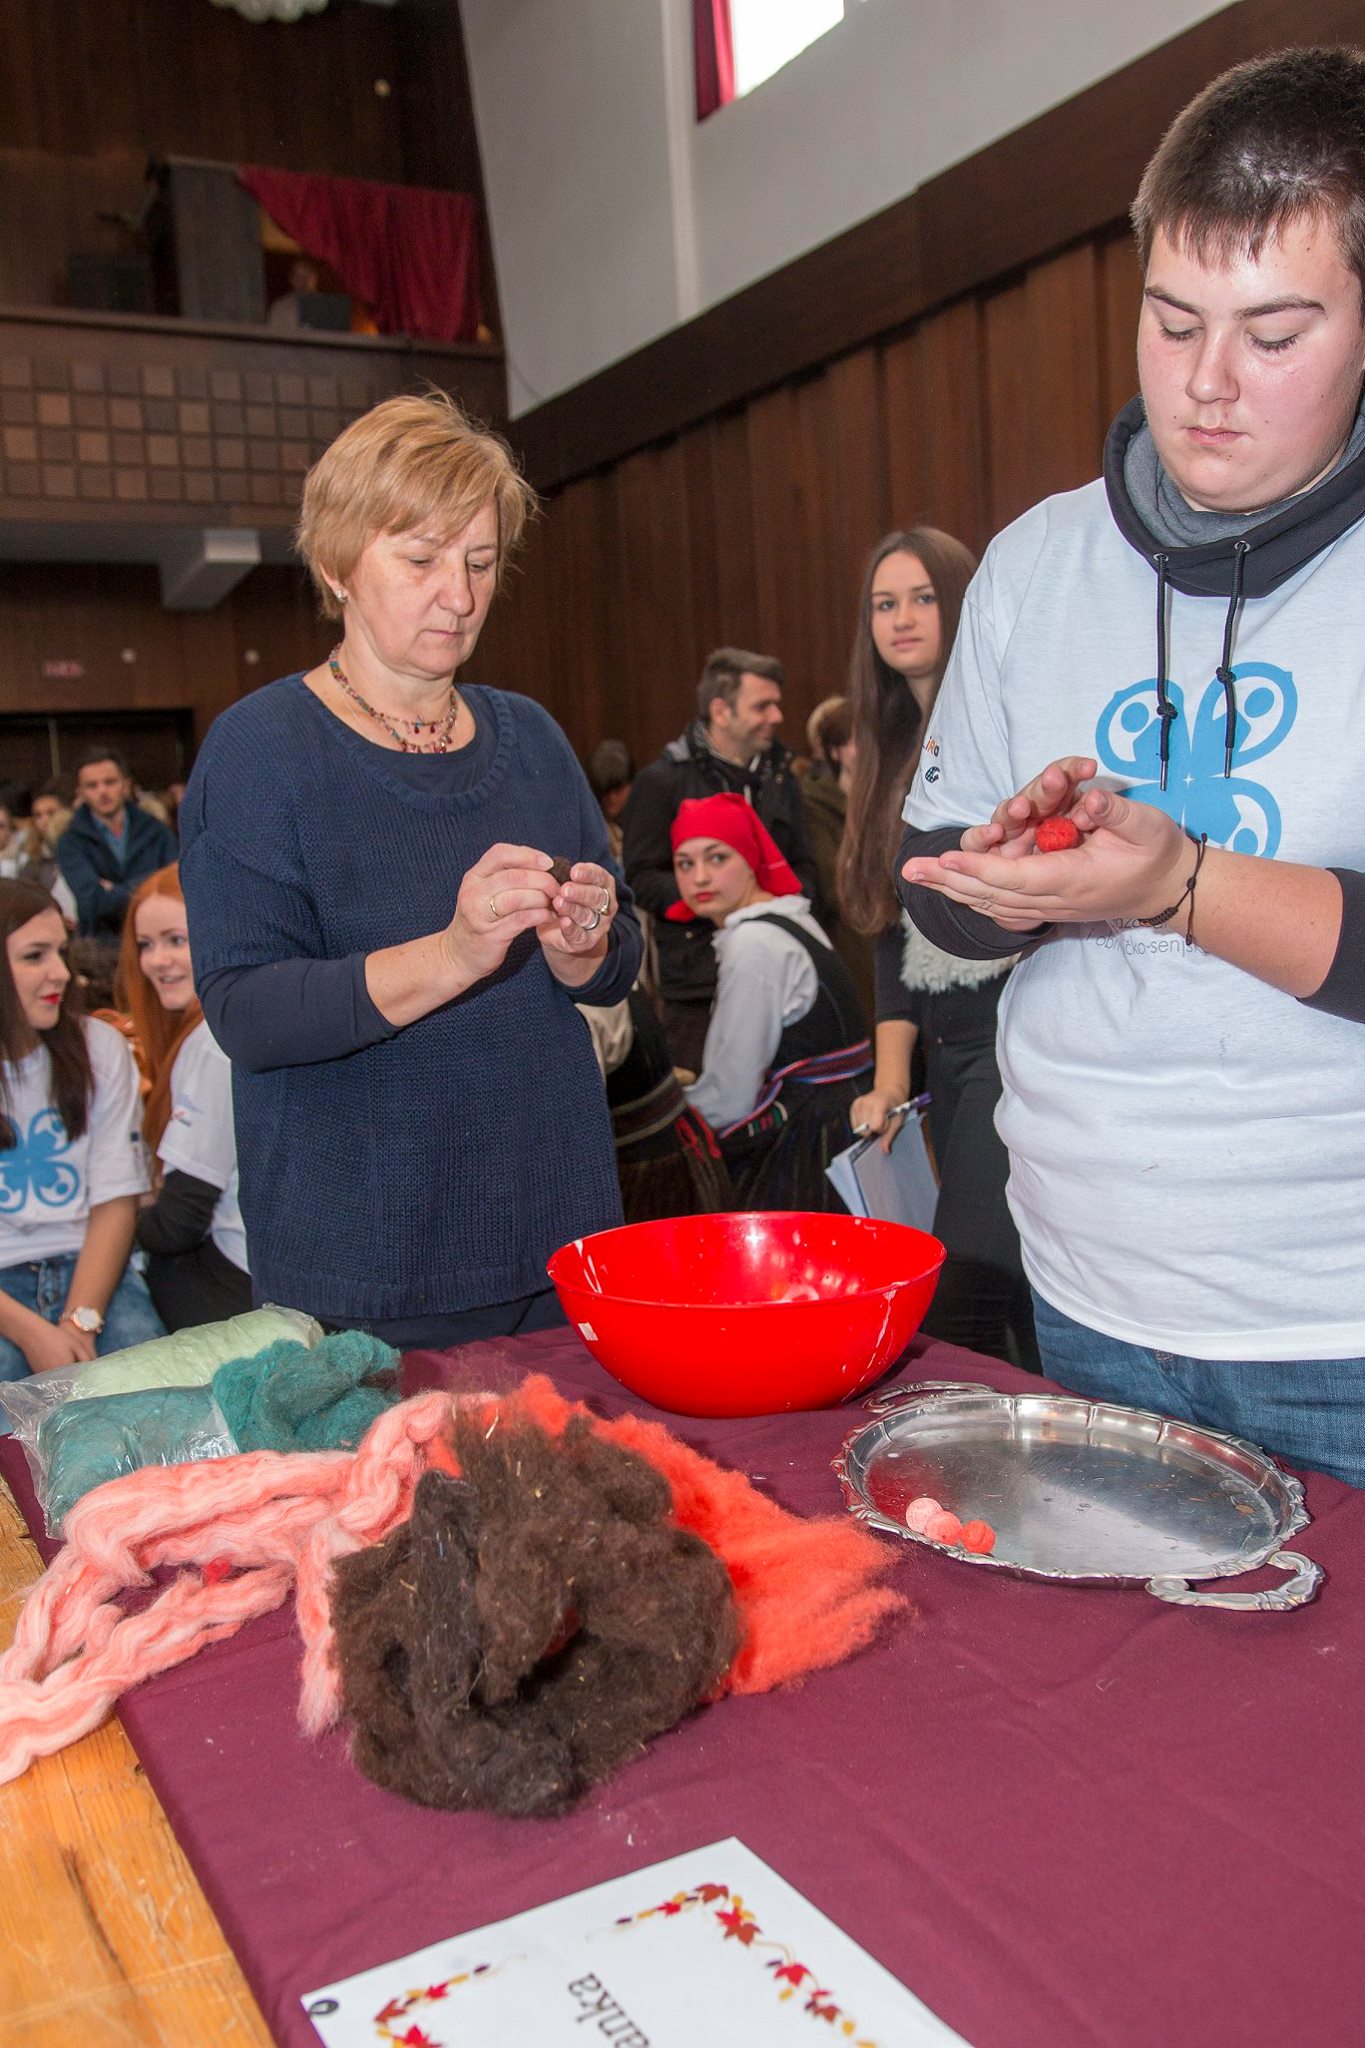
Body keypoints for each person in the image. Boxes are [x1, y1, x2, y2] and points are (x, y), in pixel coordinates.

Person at [899, 46, 1365, 1485]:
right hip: (1089, 1287)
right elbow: (931, 892)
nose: (1206, 384)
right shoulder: (1036, 563)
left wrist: (1177, 885)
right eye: (1171, 322)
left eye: (1272, 335)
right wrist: (1006, 877)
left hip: (1335, 1319)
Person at [179, 391, 642, 1346]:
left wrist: (585, 944)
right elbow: (248, 1013)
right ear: (336, 565)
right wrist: (453, 954)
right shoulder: (260, 751)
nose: (460, 596)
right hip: (369, 1264)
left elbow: (617, 958)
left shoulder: (532, 736)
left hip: (560, 1236)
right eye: (422, 559)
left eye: (480, 562)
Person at [842, 530, 1036, 1367]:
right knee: (1014, 1303)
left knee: (962, 1298)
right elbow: (888, 933)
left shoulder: (1005, 725)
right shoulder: (887, 751)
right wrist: (889, 1083)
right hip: (946, 1055)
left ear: (959, 603)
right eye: (884, 604)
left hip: (1011, 1034)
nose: (902, 619)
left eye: (922, 598)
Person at [623, 649, 818, 1071]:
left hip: (780, 973)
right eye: (762, 706)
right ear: (720, 711)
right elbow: (639, 877)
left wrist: (775, 906)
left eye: (776, 704)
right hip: (698, 986)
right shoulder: (664, 781)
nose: (778, 716)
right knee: (710, 1103)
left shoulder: (782, 777)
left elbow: (804, 866)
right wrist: (716, 898)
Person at [0, 878, 163, 1382]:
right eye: (35, 956)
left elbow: (116, 1201)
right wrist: (31, 1332)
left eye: (61, 951)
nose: (62, 973)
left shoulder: (99, 1047)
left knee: (153, 1396)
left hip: (93, 1272)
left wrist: (79, 1323)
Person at [673, 794, 870, 1209]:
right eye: (684, 864)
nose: (700, 878)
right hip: (847, 1119)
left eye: (717, 858)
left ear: (750, 859)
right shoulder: (790, 918)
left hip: (808, 1143)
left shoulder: (753, 942)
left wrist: (672, 1120)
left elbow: (732, 1095)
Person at [118, 867, 252, 1331]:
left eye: (177, 940)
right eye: (146, 944)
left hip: (242, 1281)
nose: (158, 961)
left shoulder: (213, 1042)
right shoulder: (234, 1023)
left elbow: (178, 1224)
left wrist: (110, 1219)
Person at [797, 696, 874, 1025]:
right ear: (835, 751)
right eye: (858, 739)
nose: (869, 748)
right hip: (849, 940)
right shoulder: (814, 805)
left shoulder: (892, 798)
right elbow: (833, 887)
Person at [56, 750, 177, 942]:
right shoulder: (70, 842)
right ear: (81, 792)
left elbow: (173, 887)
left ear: (126, 784)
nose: (102, 791)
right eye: (92, 785)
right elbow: (92, 903)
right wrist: (149, 881)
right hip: (101, 946)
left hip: (156, 938)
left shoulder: (158, 832)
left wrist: (114, 890)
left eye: (110, 782)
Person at [586, 739, 634, 862]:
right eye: (606, 792)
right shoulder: (590, 827)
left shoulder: (646, 819)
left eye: (618, 790)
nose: (612, 798)